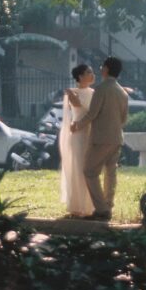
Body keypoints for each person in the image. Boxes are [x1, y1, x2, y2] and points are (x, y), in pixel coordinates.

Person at [71, 56, 128, 221]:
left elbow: (92, 114)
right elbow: (124, 119)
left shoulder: (102, 89)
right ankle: (108, 206)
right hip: (117, 137)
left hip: (101, 139)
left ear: (107, 69)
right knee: (111, 173)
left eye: (103, 66)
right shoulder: (122, 91)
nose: (100, 69)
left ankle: (101, 209)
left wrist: (77, 126)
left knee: (89, 171)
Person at [59, 63, 96, 218]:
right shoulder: (71, 92)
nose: (92, 75)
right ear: (80, 76)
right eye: (88, 72)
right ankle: (76, 205)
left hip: (89, 133)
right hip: (77, 135)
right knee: (77, 167)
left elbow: (92, 112)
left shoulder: (95, 93)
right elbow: (73, 112)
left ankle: (89, 205)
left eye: (92, 72)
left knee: (88, 168)